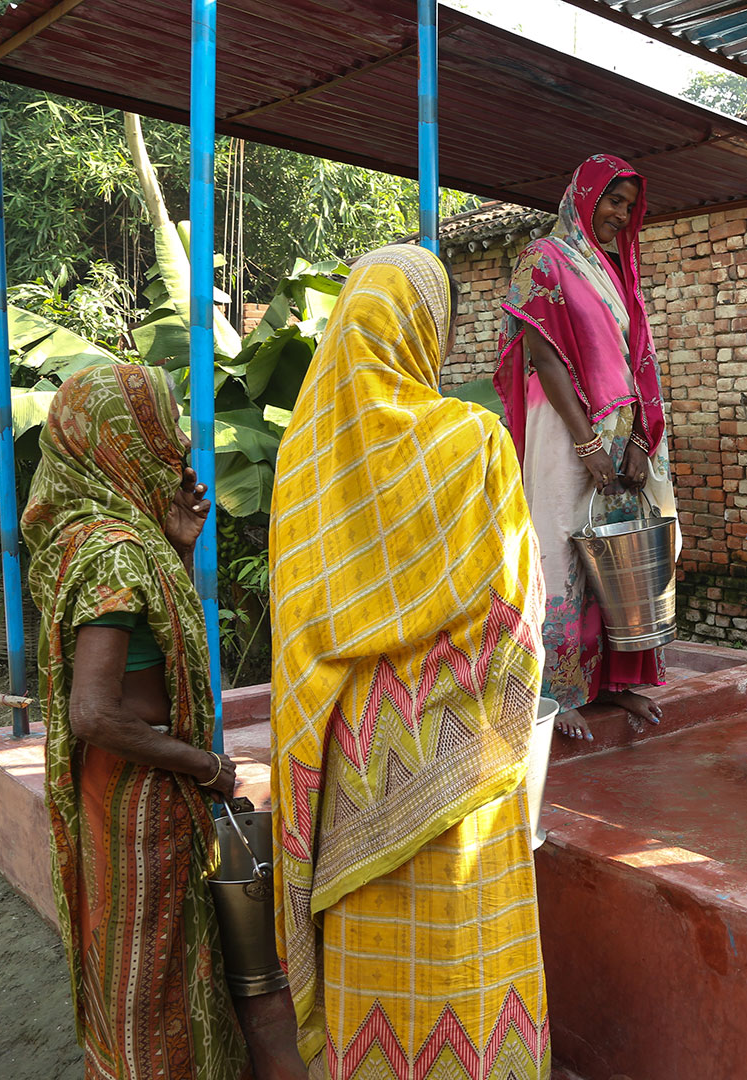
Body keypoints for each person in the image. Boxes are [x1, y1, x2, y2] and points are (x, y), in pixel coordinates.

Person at [270, 243, 550, 1080]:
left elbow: (295, 634)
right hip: (463, 749)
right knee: (467, 956)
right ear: (424, 333)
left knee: (377, 968)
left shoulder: (304, 461)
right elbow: (515, 611)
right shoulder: (474, 445)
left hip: (352, 756)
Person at [23, 363, 283, 1080]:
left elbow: (139, 645)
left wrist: (178, 545)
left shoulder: (86, 532)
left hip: (115, 788)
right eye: (161, 424)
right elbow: (95, 712)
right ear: (124, 439)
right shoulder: (116, 550)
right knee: (155, 969)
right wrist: (204, 765)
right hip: (145, 792)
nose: (175, 445)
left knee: (127, 954)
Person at [495, 153, 675, 741]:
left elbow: (634, 359)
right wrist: (587, 441)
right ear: (584, 196)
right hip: (564, 428)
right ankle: (554, 690)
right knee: (557, 549)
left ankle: (615, 685)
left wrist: (640, 440)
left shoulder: (618, 268)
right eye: (612, 201)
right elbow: (544, 356)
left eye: (629, 205)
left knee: (618, 552)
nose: (620, 215)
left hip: (622, 426)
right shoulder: (542, 258)